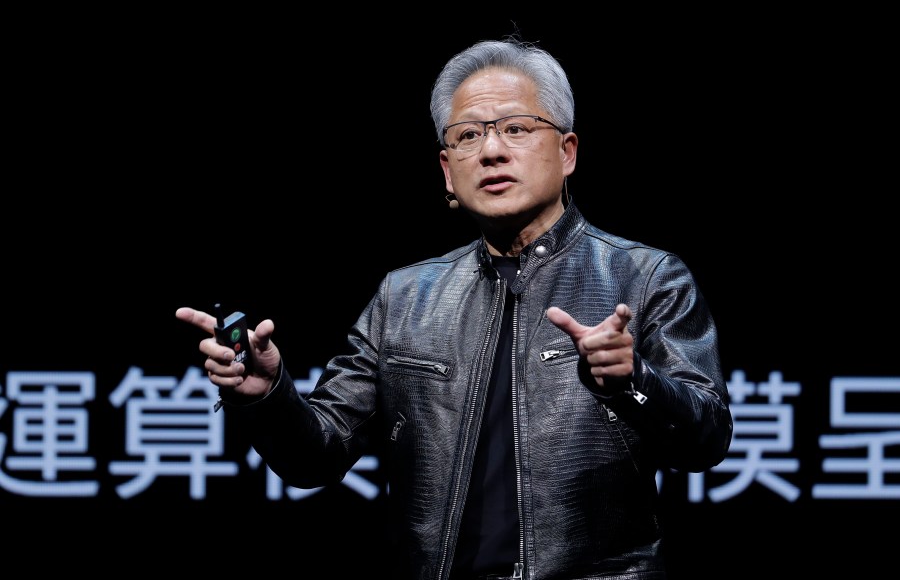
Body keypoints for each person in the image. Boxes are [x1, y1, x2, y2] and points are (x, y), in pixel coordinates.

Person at [176, 37, 733, 580]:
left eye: (516, 128)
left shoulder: (646, 277)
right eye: (468, 136)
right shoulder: (404, 297)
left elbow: (706, 439)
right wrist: (268, 397)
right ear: (447, 171)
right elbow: (315, 457)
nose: (491, 150)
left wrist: (631, 380)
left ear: (567, 153)